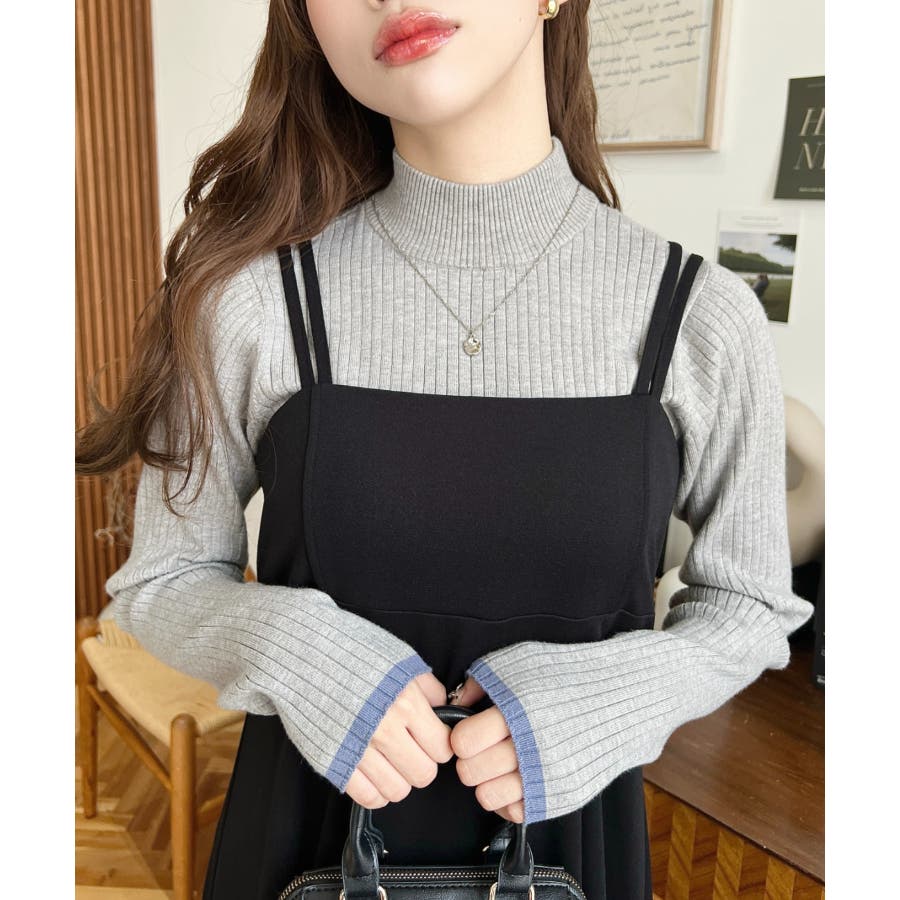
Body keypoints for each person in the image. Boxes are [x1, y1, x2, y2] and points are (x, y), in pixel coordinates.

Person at [75, 2, 815, 898]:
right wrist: (296, 650)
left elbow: (749, 603)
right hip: (303, 841)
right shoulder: (249, 302)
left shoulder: (702, 317)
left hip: (571, 851)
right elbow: (161, 580)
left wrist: (622, 694)